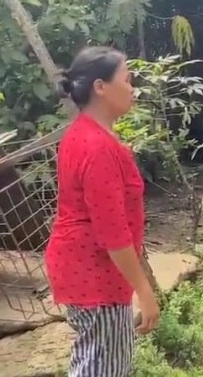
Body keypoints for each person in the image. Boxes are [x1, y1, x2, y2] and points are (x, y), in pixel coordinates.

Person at [45, 46, 160, 377]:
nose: (132, 86)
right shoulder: (98, 148)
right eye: (127, 78)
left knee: (93, 360)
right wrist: (144, 290)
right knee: (104, 367)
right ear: (100, 87)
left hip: (82, 268)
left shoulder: (83, 132)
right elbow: (113, 234)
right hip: (95, 275)